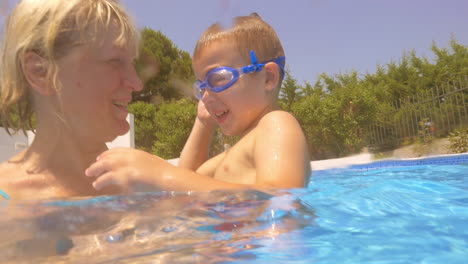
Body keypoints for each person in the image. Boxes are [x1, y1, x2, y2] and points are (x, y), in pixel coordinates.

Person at [85, 13, 311, 191]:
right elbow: (189, 180)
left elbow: (282, 197)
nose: (205, 94)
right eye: (202, 86)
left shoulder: (277, 124)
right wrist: (202, 124)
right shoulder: (233, 153)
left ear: (268, 78)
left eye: (217, 79)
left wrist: (162, 175)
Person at [0, 0, 142, 199]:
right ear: (41, 72)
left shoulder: (144, 182)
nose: (137, 83)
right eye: (114, 61)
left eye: (132, 63)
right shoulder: (6, 201)